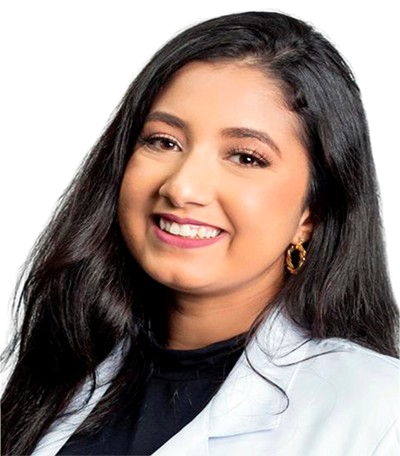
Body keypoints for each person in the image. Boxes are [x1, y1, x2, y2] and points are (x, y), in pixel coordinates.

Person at [1, 9, 399, 456]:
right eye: (163, 141)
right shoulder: (65, 366)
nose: (182, 188)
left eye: (246, 157)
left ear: (311, 213)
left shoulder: (379, 413)